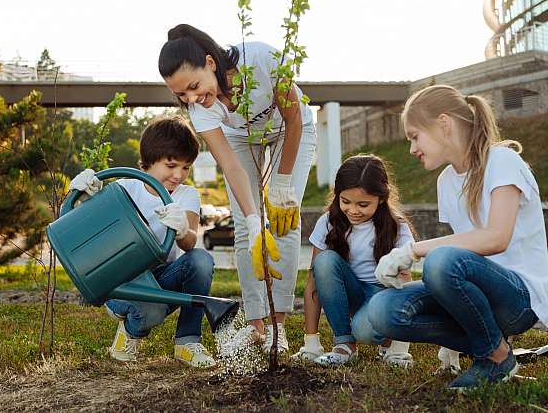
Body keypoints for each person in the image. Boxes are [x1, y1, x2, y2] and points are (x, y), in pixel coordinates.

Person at [368, 84, 548, 390]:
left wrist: (413, 251)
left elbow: (496, 238)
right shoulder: (446, 182)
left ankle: (494, 358)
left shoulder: (502, 161)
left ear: (443, 123)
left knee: (440, 260)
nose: (412, 148)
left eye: (414, 136)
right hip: (481, 293)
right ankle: (492, 347)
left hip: (520, 297)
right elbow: (464, 252)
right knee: (382, 310)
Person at [158, 24, 317, 352]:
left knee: (285, 219)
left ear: (211, 63)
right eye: (181, 95)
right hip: (240, 139)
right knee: (247, 227)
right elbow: (231, 166)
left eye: (193, 86)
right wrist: (255, 220)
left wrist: (282, 185)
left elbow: (294, 120)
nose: (192, 98)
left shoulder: (262, 58)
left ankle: (278, 326)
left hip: (291, 131)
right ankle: (258, 325)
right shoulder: (200, 109)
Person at [69, 115, 216, 368]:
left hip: (161, 279)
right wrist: (83, 196)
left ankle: (187, 342)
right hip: (124, 281)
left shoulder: (186, 195)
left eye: (185, 167)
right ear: (149, 161)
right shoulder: (125, 188)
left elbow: (190, 243)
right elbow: (86, 229)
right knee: (150, 310)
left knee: (201, 260)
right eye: (171, 165)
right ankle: (130, 330)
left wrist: (182, 229)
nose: (179, 175)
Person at [291, 154, 415, 366]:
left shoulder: (397, 227)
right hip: (350, 294)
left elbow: (404, 284)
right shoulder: (329, 222)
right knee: (324, 262)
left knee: (363, 330)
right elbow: (314, 281)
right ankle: (344, 344)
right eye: (345, 201)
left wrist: (400, 349)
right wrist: (310, 342)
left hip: (383, 295)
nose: (353, 210)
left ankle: (389, 342)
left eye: (363, 204)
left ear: (382, 198)